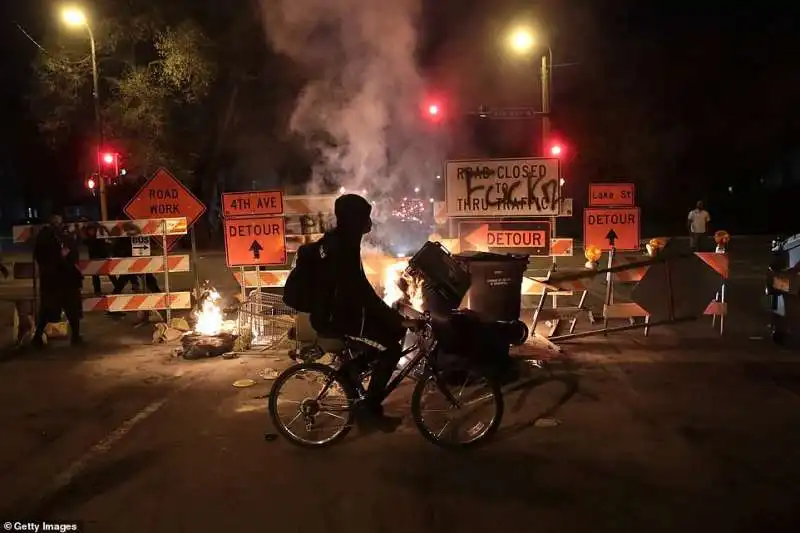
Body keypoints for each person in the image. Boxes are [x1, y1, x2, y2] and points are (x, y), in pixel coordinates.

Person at [313, 194, 411, 432]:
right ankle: (368, 411)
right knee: (391, 348)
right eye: (365, 216)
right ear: (353, 219)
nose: (369, 221)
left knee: (393, 334)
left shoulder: (344, 240)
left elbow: (360, 290)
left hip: (344, 314)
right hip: (337, 320)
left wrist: (392, 319)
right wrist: (394, 317)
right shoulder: (341, 246)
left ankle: (349, 376)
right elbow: (358, 292)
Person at [32, 215, 84, 347]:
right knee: (51, 309)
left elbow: (72, 251)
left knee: (68, 309)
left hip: (61, 279)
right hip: (56, 279)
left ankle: (75, 337)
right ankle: (38, 336)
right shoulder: (48, 237)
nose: (58, 225)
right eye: (56, 223)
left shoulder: (59, 236)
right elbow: (44, 256)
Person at [83, 223, 116, 296]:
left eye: (92, 230)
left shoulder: (100, 237)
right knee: (95, 275)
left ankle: (117, 287)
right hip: (94, 258)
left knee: (109, 273)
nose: (91, 232)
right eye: (90, 230)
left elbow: (108, 241)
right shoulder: (88, 239)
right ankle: (97, 291)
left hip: (102, 256)